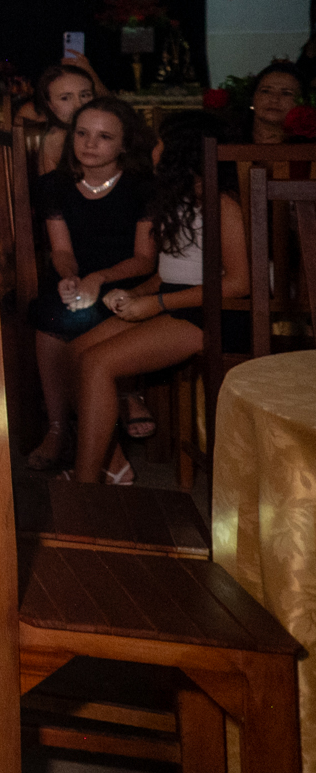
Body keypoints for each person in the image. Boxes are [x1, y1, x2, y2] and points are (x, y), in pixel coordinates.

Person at [70, 112, 249, 486]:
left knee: (98, 363)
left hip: (211, 314)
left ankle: (85, 487)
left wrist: (157, 305)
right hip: (172, 301)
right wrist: (135, 294)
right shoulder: (177, 200)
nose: (153, 148)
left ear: (182, 152)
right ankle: (111, 464)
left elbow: (238, 283)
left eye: (161, 142)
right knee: (74, 353)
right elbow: (170, 272)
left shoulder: (223, 204)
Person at [23, 97, 157, 470]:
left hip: (125, 276)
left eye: (104, 137)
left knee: (92, 317)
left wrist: (100, 279)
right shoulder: (55, 185)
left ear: (124, 144)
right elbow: (61, 250)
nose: (89, 144)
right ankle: (56, 429)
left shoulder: (142, 187)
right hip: (78, 273)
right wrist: (70, 277)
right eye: (82, 134)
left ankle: (120, 403)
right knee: (52, 317)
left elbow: (144, 258)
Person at [15, 60, 101, 176]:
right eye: (65, 98)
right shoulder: (57, 138)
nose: (79, 105)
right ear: (50, 105)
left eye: (85, 95)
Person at [244, 60, 306, 144]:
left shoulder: (310, 147)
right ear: (253, 98)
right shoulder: (227, 142)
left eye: (286, 93)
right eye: (266, 91)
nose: (274, 99)